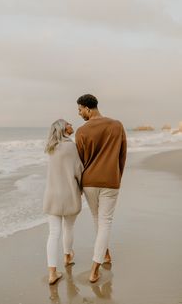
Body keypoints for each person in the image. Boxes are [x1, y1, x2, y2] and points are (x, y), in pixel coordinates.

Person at [75, 94, 127, 283]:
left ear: (88, 108)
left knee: (98, 220)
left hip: (89, 182)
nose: (79, 113)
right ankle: (95, 267)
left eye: (80, 110)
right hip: (110, 181)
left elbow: (79, 162)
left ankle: (103, 255)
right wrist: (117, 176)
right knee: (105, 222)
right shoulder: (117, 125)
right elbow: (122, 155)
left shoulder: (81, 131)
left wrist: (79, 184)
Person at [43, 119, 84, 285]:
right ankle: (67, 257)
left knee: (53, 233)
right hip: (69, 195)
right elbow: (78, 170)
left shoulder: (50, 148)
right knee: (69, 227)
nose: (71, 125)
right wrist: (82, 188)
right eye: (68, 124)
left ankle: (52, 273)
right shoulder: (71, 147)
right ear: (63, 128)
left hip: (52, 195)